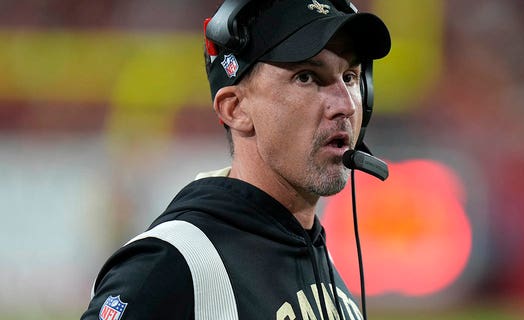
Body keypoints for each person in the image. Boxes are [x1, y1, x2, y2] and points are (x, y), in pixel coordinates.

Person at [81, 0, 391, 319]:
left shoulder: (320, 265)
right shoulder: (174, 262)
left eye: (351, 77)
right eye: (307, 77)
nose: (346, 106)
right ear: (236, 109)